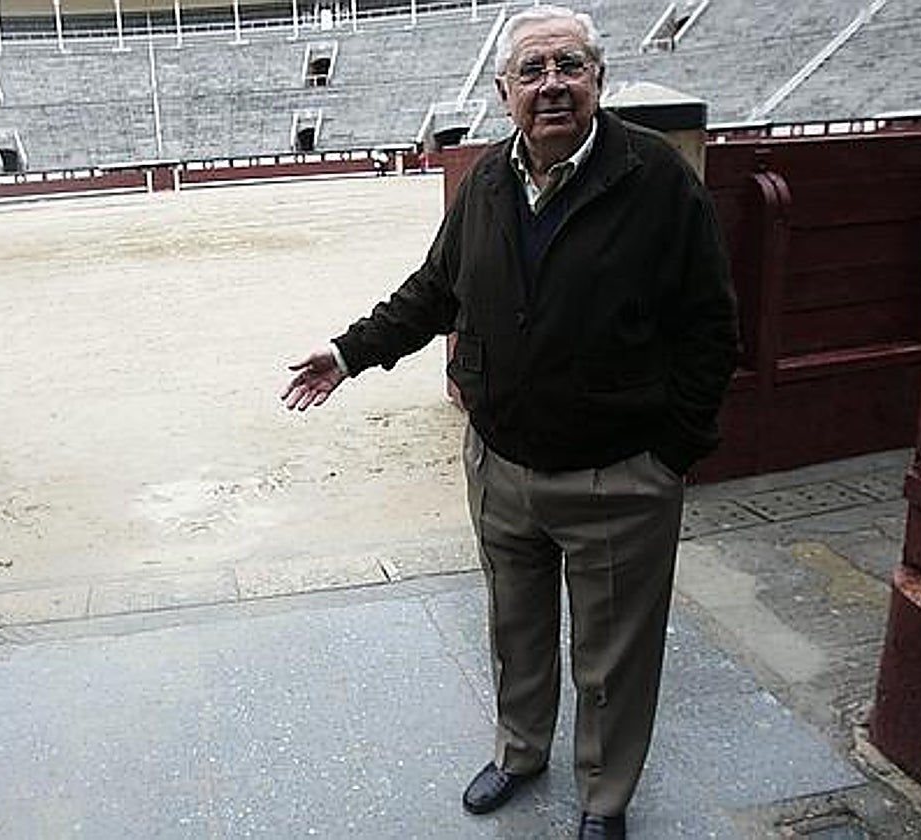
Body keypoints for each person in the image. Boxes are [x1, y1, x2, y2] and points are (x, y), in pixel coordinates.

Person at [280, 4, 737, 838]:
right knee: (514, 630)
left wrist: (671, 453)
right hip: (501, 465)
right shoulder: (490, 180)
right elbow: (434, 292)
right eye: (533, 71)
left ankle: (604, 798)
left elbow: (711, 326)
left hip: (618, 470)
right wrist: (347, 354)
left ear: (598, 79)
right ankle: (520, 752)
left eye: (569, 66)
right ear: (504, 93)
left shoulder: (657, 179)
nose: (552, 85)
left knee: (614, 656)